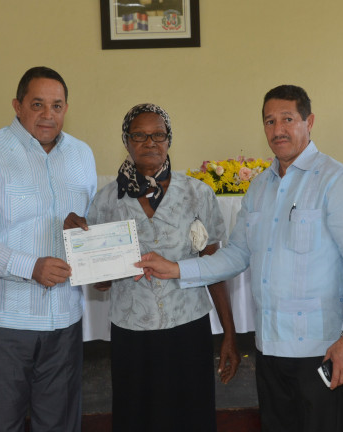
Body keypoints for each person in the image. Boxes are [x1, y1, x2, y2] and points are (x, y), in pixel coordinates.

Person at [137, 85, 343, 432]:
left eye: (287, 119)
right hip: (268, 347)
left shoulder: (336, 181)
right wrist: (174, 269)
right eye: (269, 121)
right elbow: (237, 254)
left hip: (320, 348)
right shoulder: (260, 186)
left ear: (309, 122)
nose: (278, 130)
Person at [64, 103, 240, 432]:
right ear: (126, 142)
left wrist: (229, 333)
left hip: (188, 327)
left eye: (158, 135)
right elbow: (100, 280)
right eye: (139, 135)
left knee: (191, 416)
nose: (150, 142)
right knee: (137, 416)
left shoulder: (197, 193)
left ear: (169, 140)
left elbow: (214, 268)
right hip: (132, 332)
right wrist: (98, 273)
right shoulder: (106, 200)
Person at [0, 66, 96, 432]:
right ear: (17, 106)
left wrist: (87, 235)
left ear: (66, 109)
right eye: (37, 104)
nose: (48, 114)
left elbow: (91, 222)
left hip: (64, 321)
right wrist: (29, 266)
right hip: (3, 323)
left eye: (57, 105)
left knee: (60, 425)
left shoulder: (82, 155)